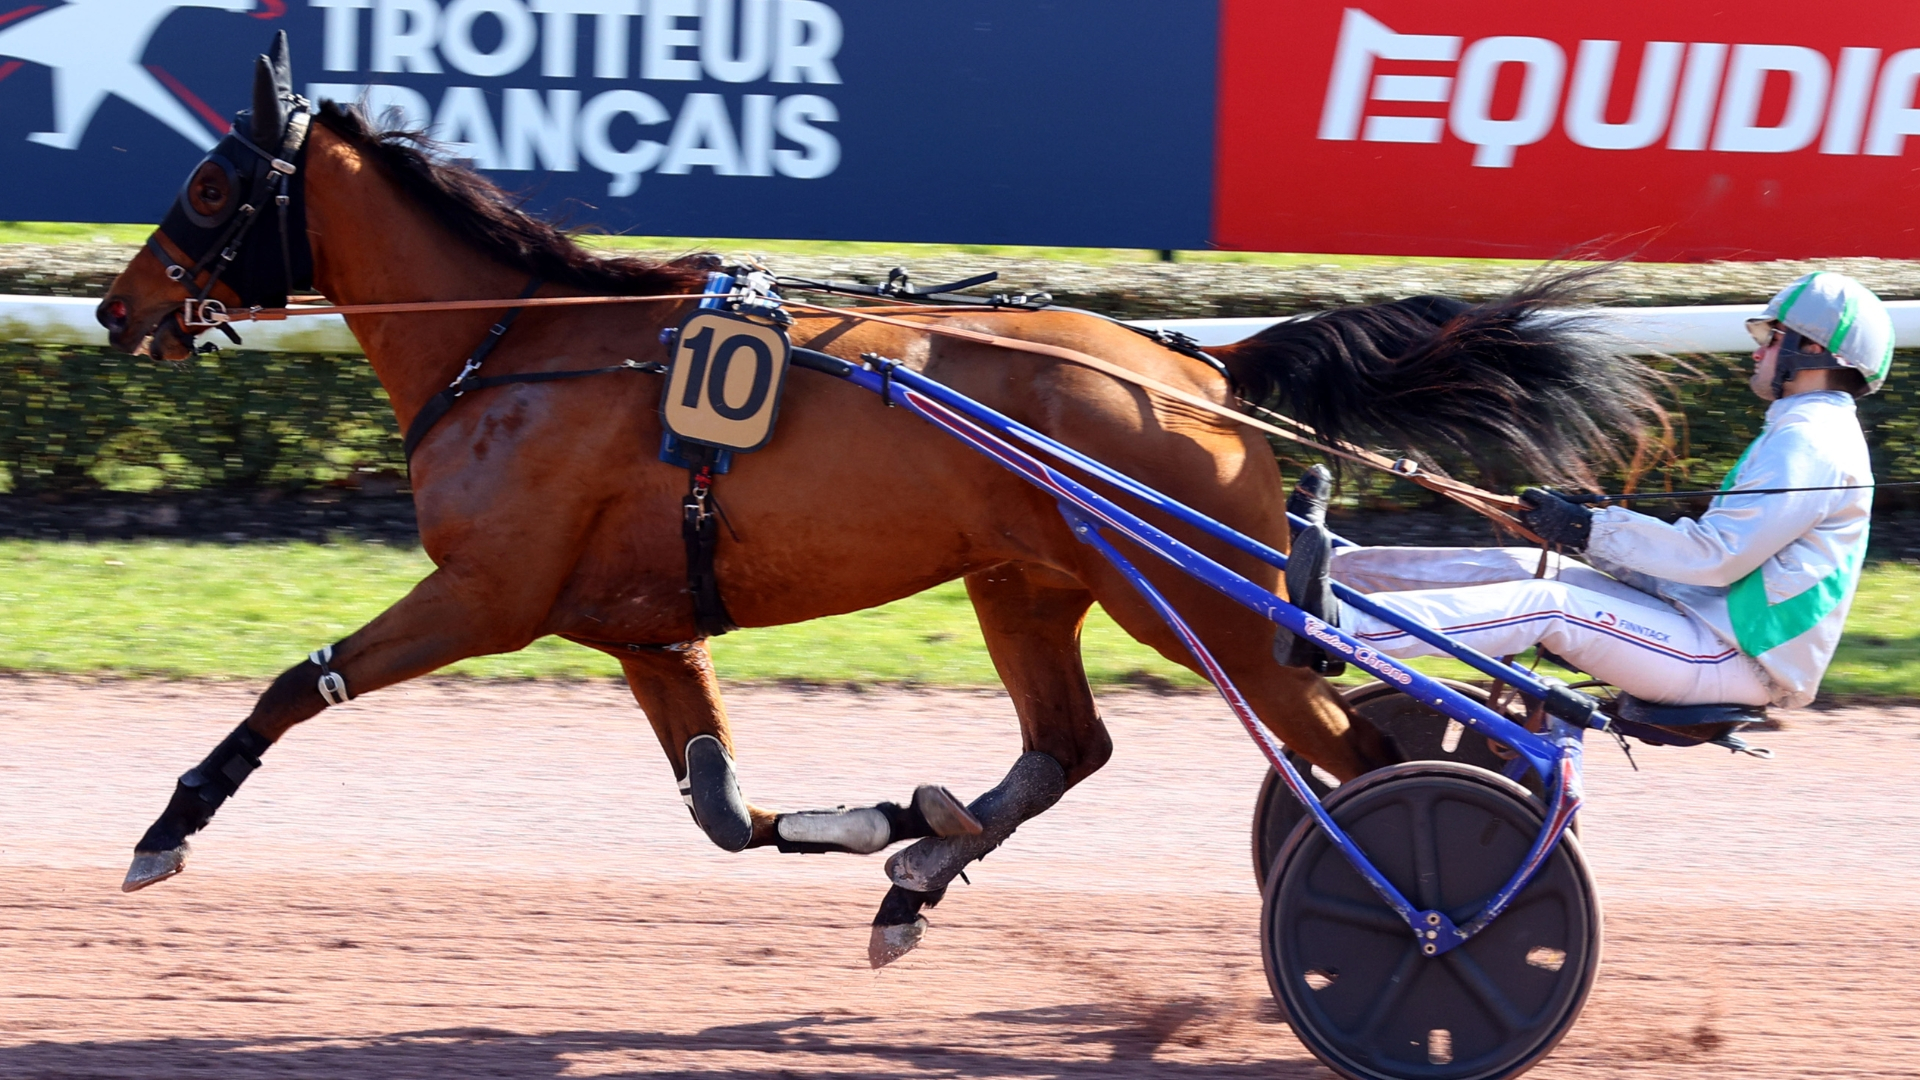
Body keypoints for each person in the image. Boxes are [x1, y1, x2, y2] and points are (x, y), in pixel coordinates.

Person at [1282, 271, 1892, 709]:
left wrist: (1589, 529)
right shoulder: (1803, 430)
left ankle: (1346, 628)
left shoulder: (1812, 440)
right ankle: (1334, 569)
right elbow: (1713, 565)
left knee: (1548, 605)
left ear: (1812, 350)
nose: (1758, 349)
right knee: (1530, 564)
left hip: (1737, 661)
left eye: (1771, 335)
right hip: (1699, 624)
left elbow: (1713, 558)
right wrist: (1585, 533)